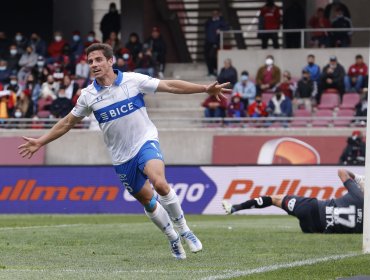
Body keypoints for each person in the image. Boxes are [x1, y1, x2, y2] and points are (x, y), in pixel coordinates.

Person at [18, 43, 231, 259]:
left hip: (145, 142)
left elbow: (170, 86)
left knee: (159, 183)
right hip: (121, 157)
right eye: (90, 61)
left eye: (98, 59)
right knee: (148, 201)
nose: (94, 64)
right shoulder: (88, 95)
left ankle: (185, 230)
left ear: (111, 61)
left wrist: (204, 88)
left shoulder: (133, 80)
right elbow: (67, 123)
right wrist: (41, 141)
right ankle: (172, 237)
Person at [222, 169, 364, 234]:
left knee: (273, 199)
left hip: (311, 209)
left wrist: (358, 178)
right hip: (317, 229)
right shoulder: (366, 227)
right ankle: (234, 208)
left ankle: (235, 208)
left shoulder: (358, 195)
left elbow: (341, 172)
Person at [204, 10, 228, 76]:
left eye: (216, 13)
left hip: (215, 42)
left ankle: (214, 70)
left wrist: (220, 30)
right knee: (207, 57)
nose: (214, 15)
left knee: (212, 56)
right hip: (208, 42)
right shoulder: (209, 21)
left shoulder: (221, 21)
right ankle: (210, 71)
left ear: (219, 14)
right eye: (213, 13)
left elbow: (226, 28)